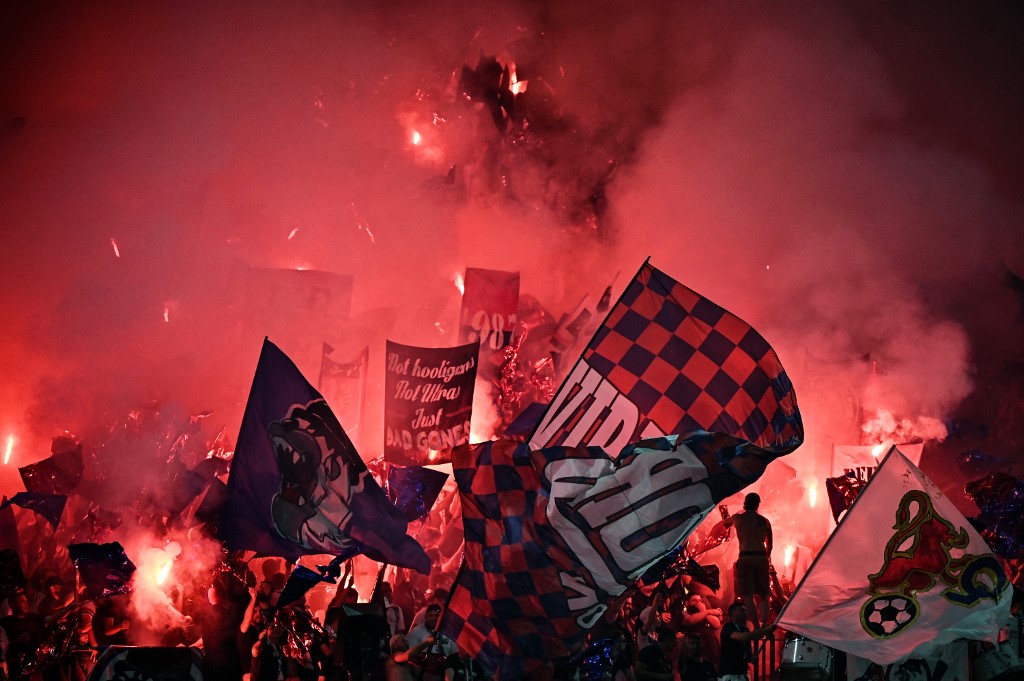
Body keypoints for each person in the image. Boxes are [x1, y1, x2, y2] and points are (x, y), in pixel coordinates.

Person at [724, 493, 773, 627]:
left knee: (748, 595)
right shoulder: (764, 521)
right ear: (758, 505)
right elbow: (770, 546)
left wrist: (726, 510)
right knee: (764, 594)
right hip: (761, 557)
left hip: (745, 558)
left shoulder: (738, 518)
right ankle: (764, 625)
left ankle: (756, 627)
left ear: (745, 504)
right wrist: (765, 559)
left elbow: (725, 524)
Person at [717, 602, 775, 681]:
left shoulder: (745, 629)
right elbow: (742, 637)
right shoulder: (728, 627)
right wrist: (765, 631)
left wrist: (751, 658)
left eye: (745, 610)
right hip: (729, 675)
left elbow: (746, 650)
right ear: (733, 614)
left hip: (742, 674)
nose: (745, 612)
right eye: (741, 610)